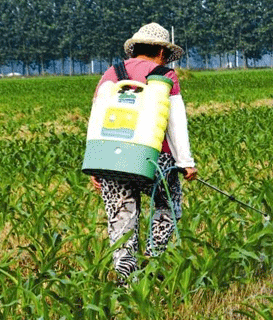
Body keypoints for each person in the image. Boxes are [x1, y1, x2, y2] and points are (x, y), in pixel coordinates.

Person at [89, 22, 197, 283]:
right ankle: (152, 260)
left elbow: (96, 117)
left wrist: (95, 166)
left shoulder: (110, 75)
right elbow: (175, 122)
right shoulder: (165, 76)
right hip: (153, 158)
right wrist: (185, 162)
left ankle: (126, 280)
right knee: (167, 205)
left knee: (121, 217)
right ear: (161, 52)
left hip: (110, 157)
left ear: (135, 49)